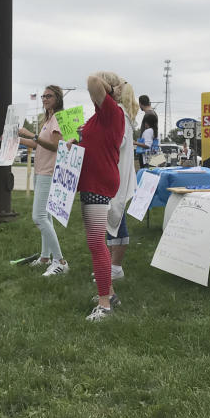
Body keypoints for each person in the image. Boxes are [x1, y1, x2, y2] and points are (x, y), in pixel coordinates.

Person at [73, 71, 126, 321]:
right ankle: (110, 293)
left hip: (98, 183)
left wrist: (108, 86)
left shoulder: (112, 111)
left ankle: (104, 305)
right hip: (92, 181)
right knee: (96, 242)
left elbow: (92, 80)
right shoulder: (99, 117)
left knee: (96, 244)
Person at [16, 85, 68, 276]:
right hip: (41, 171)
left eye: (49, 96)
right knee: (47, 217)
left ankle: (60, 261)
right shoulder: (48, 119)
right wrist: (18, 139)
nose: (45, 99)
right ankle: (46, 257)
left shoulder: (58, 118)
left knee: (38, 217)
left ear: (58, 98)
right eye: (43, 96)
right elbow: (39, 145)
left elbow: (55, 146)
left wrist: (31, 134)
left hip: (49, 173)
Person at [105, 79, 139, 282]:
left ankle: (116, 267)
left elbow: (119, 142)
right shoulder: (122, 114)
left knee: (117, 216)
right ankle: (111, 265)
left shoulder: (120, 115)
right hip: (114, 173)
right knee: (112, 217)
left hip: (116, 175)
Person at [134, 95, 159, 170]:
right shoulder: (153, 113)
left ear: (141, 104)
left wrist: (136, 143)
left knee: (145, 172)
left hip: (146, 154)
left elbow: (148, 142)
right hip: (151, 153)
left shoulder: (148, 115)